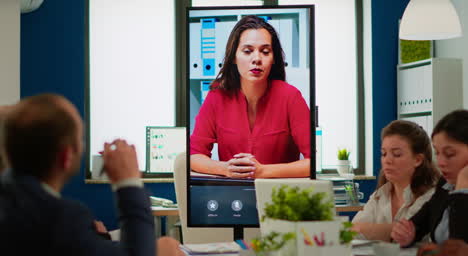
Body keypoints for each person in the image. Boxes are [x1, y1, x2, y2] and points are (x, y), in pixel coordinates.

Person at [0, 94, 182, 256]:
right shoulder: (63, 220)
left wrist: (95, 238)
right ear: (66, 157)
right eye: (80, 140)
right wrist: (129, 182)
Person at [190, 15, 311, 179]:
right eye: (247, 51)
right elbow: (194, 156)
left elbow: (313, 162)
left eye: (265, 52)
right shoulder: (217, 96)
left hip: (279, 197)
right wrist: (224, 168)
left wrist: (262, 172)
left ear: (274, 58)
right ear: (233, 56)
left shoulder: (291, 97)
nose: (256, 59)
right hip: (231, 197)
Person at [352, 120, 439, 241]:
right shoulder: (381, 194)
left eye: (397, 154)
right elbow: (352, 229)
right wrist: (385, 230)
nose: (387, 160)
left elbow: (401, 235)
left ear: (418, 160)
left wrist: (370, 229)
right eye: (384, 154)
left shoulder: (431, 196)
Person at [392, 109, 468, 247]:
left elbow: (458, 246)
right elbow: (417, 225)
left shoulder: (458, 186)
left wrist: (463, 191)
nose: (441, 162)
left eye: (450, 154)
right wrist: (406, 235)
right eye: (437, 153)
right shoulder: (446, 185)